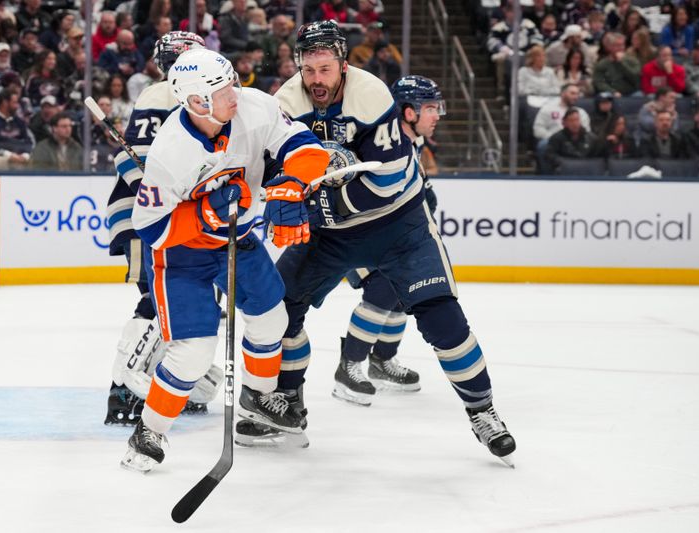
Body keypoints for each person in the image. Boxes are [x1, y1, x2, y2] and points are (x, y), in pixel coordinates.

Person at [236, 21, 517, 466]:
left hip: (397, 224)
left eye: (325, 68)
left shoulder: (371, 95)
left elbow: (382, 186)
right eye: (308, 70)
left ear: (343, 65)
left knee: (442, 318)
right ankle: (287, 405)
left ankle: (483, 412)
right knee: (280, 307)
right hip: (331, 234)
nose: (316, 80)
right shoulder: (285, 102)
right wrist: (272, 194)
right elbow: (271, 168)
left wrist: (307, 209)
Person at [121, 47, 329, 472]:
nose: (235, 92)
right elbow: (152, 228)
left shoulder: (255, 106)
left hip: (237, 241)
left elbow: (307, 148)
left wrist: (292, 183)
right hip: (181, 258)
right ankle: (150, 430)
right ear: (197, 102)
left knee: (273, 319)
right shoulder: (171, 151)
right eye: (222, 89)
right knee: (193, 354)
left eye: (233, 80)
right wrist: (206, 213)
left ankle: (255, 405)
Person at [104, 31, 225, 426]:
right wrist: (162, 196)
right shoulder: (159, 96)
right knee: (156, 298)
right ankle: (122, 387)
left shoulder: (203, 98)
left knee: (179, 301)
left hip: (180, 220)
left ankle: (168, 377)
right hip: (145, 217)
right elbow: (129, 165)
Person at [327, 75, 446, 408]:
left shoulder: (414, 142)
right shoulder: (386, 141)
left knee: (400, 294)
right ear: (408, 112)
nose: (436, 115)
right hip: (364, 231)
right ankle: (349, 366)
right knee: (382, 289)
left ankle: (381, 361)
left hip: (392, 233)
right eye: (430, 108)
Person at [532, 83, 591, 170]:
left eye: (577, 94)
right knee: (543, 145)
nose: (576, 97)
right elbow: (537, 129)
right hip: (553, 141)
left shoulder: (581, 112)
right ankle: (546, 178)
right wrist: (553, 138)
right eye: (572, 93)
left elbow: (587, 131)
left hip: (575, 143)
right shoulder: (548, 109)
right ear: (563, 93)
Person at [544, 107, 603, 173]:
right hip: (565, 170)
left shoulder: (592, 138)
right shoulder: (556, 138)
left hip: (586, 170)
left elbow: (598, 157)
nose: (575, 124)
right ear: (564, 123)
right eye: (571, 120)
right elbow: (550, 155)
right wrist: (563, 162)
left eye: (577, 120)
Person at [592, 32, 641, 96]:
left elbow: (636, 79)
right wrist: (613, 92)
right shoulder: (602, 64)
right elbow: (598, 82)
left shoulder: (632, 61)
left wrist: (622, 63)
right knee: (605, 96)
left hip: (631, 93)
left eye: (622, 45)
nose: (621, 48)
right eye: (617, 45)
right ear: (610, 47)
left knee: (639, 95)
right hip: (612, 94)